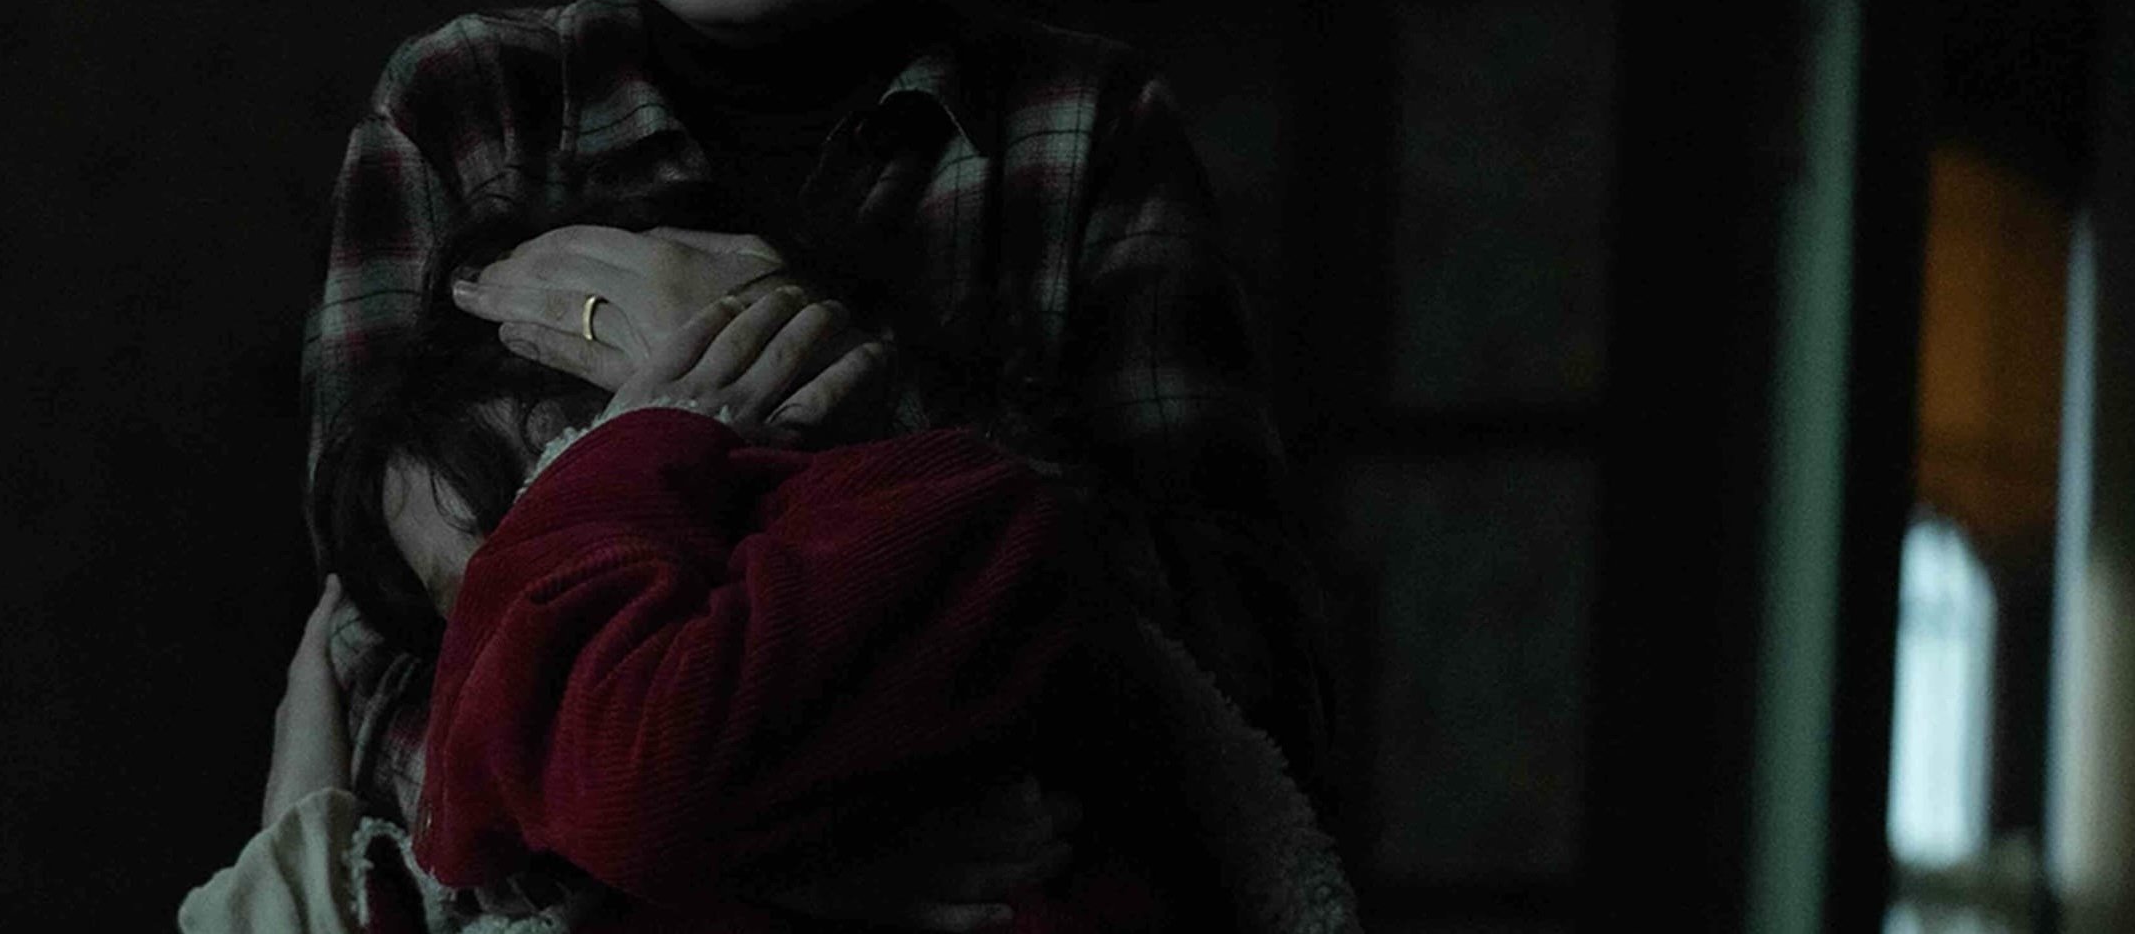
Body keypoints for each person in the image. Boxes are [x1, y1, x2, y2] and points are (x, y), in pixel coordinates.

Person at [298, 0, 1330, 910]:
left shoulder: (1076, 129)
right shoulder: (466, 106)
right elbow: (382, 655)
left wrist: (846, 393)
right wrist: (798, 856)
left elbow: (1238, 662)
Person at [186, 282, 1355, 932]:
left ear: (681, 433)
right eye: (472, 600)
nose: (513, 614)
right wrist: (303, 801)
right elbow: (485, 825)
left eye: (540, 508)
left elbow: (648, 779)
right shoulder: (566, 819)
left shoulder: (943, 507)